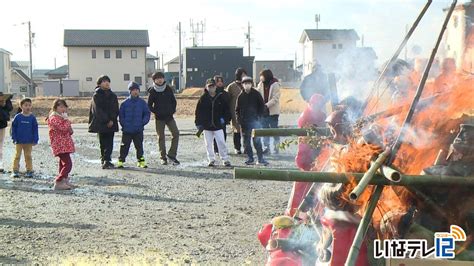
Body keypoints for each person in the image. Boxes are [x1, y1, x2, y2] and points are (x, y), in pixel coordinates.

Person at [195, 78, 232, 167]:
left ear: (215, 87)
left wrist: (225, 120)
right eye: (210, 86)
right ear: (206, 87)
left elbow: (226, 110)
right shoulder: (202, 98)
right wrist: (198, 124)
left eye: (213, 86)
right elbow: (198, 112)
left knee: (221, 142)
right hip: (206, 125)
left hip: (218, 125)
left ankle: (225, 159)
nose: (212, 88)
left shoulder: (221, 97)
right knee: (208, 144)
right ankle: (211, 160)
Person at [148, 72, 180, 165]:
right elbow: (149, 105)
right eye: (157, 78)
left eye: (161, 78)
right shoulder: (152, 91)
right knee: (161, 137)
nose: (160, 80)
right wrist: (156, 112)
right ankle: (163, 157)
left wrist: (172, 110)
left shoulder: (168, 88)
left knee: (176, 133)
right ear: (154, 80)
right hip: (159, 118)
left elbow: (173, 101)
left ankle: (172, 155)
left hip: (169, 116)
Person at [235, 76, 268, 166]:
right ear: (242, 85)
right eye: (245, 83)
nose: (247, 85)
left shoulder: (256, 94)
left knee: (257, 141)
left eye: (249, 83)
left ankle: (260, 159)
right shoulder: (240, 96)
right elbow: (237, 110)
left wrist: (259, 117)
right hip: (244, 123)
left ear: (251, 84)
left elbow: (262, 106)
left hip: (255, 122)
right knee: (246, 142)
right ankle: (250, 158)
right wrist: (239, 120)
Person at [88, 75, 119, 169]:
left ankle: (108, 160)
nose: (107, 83)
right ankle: (104, 160)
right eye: (104, 81)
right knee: (103, 142)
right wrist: (106, 120)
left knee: (110, 142)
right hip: (101, 123)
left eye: (108, 81)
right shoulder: (96, 95)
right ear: (99, 83)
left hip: (111, 122)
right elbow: (97, 110)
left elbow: (116, 109)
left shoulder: (113, 95)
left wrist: (112, 119)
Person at [117, 82, 151, 169]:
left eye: (137, 90)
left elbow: (147, 113)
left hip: (138, 129)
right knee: (124, 146)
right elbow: (121, 115)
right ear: (130, 91)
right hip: (127, 129)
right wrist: (123, 124)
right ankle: (121, 160)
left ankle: (141, 161)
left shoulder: (142, 103)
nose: (135, 92)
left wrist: (143, 122)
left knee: (139, 146)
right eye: (133, 90)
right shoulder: (124, 103)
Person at [47, 99, 75, 190]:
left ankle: (64, 181)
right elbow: (63, 128)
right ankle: (59, 181)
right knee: (68, 164)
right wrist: (66, 120)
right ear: (55, 108)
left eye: (64, 107)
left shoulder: (61, 117)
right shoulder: (54, 118)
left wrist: (67, 123)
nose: (63, 109)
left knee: (62, 163)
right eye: (60, 106)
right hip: (59, 144)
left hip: (64, 144)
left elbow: (69, 131)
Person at [11, 98, 39, 178]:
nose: (28, 107)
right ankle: (15, 170)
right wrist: (14, 138)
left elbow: (35, 129)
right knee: (17, 155)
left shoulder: (32, 118)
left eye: (29, 105)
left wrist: (35, 139)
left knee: (28, 156)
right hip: (19, 141)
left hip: (29, 141)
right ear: (21, 106)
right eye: (26, 105)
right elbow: (13, 129)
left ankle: (29, 170)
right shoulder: (17, 117)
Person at [257, 69, 281, 154]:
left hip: (273, 111)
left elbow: (275, 98)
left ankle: (276, 147)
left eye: (262, 75)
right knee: (264, 130)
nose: (261, 77)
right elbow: (258, 95)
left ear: (266, 76)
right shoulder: (260, 84)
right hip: (263, 112)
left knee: (275, 130)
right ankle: (266, 147)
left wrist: (266, 105)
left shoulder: (275, 84)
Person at [226, 68, 247, 154]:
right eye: (243, 74)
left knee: (246, 131)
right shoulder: (231, 86)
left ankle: (246, 147)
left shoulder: (247, 84)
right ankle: (237, 148)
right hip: (235, 112)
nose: (245, 76)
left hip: (246, 112)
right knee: (236, 130)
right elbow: (227, 99)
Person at [213, 75, 230, 156]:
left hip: (223, 116)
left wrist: (227, 118)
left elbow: (228, 106)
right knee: (214, 133)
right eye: (218, 81)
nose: (219, 83)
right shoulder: (213, 93)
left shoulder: (225, 94)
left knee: (223, 133)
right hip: (214, 116)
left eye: (221, 81)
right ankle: (216, 149)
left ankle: (222, 149)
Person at [0, 93, 13, 173]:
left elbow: (10, 108)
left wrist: (5, 102)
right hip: (2, 124)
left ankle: (0, 164)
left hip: (2, 125)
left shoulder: (5, 99)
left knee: (0, 145)